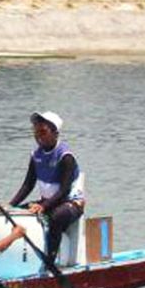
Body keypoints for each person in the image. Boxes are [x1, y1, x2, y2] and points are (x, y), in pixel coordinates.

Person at [9, 111, 85, 265]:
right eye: (35, 132)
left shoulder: (65, 156)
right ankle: (22, 260)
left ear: (55, 133)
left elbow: (63, 191)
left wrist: (43, 206)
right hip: (48, 203)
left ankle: (50, 262)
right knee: (16, 214)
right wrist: (10, 205)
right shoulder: (35, 155)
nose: (38, 136)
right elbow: (27, 185)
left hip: (71, 203)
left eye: (43, 132)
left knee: (56, 217)